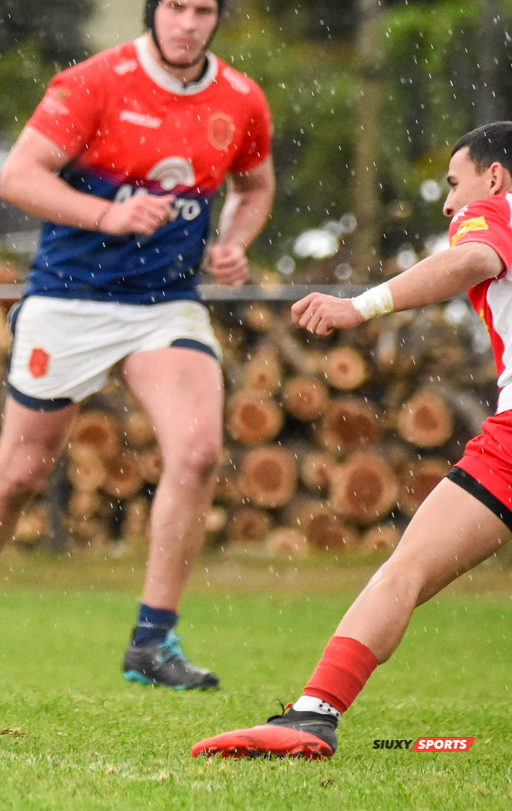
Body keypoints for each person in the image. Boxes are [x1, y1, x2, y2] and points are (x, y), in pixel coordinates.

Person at [0, 0, 276, 691]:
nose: (186, 23)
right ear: (152, 10)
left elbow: (256, 183)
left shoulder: (241, 98)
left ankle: (153, 641)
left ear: (218, 19)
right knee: (20, 470)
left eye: (202, 11)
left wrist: (236, 241)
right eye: (174, 7)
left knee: (198, 451)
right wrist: (109, 214)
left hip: (165, 306)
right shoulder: (94, 82)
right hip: (71, 299)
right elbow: (18, 177)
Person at [193, 123, 512, 758]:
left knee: (407, 568)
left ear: (495, 177)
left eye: (455, 184)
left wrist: (358, 306)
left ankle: (313, 715)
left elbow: (474, 258)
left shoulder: (493, 209)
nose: (450, 204)